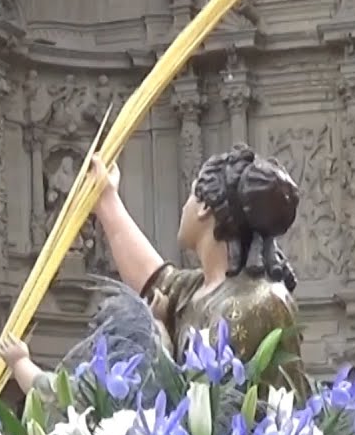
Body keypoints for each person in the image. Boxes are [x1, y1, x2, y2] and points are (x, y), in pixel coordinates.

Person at [89, 144, 308, 391]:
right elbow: (153, 278)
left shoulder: (260, 302)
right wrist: (106, 200)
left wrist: (161, 342)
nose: (184, 206)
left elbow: (218, 406)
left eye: (192, 195)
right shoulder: (198, 289)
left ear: (204, 207)